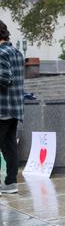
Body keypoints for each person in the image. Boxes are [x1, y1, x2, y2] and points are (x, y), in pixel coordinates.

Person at [0, 20, 24, 194]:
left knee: (8, 146)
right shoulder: (16, 52)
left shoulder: (1, 53)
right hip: (15, 108)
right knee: (10, 146)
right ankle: (11, 183)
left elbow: (4, 78)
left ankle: (9, 184)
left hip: (2, 108)